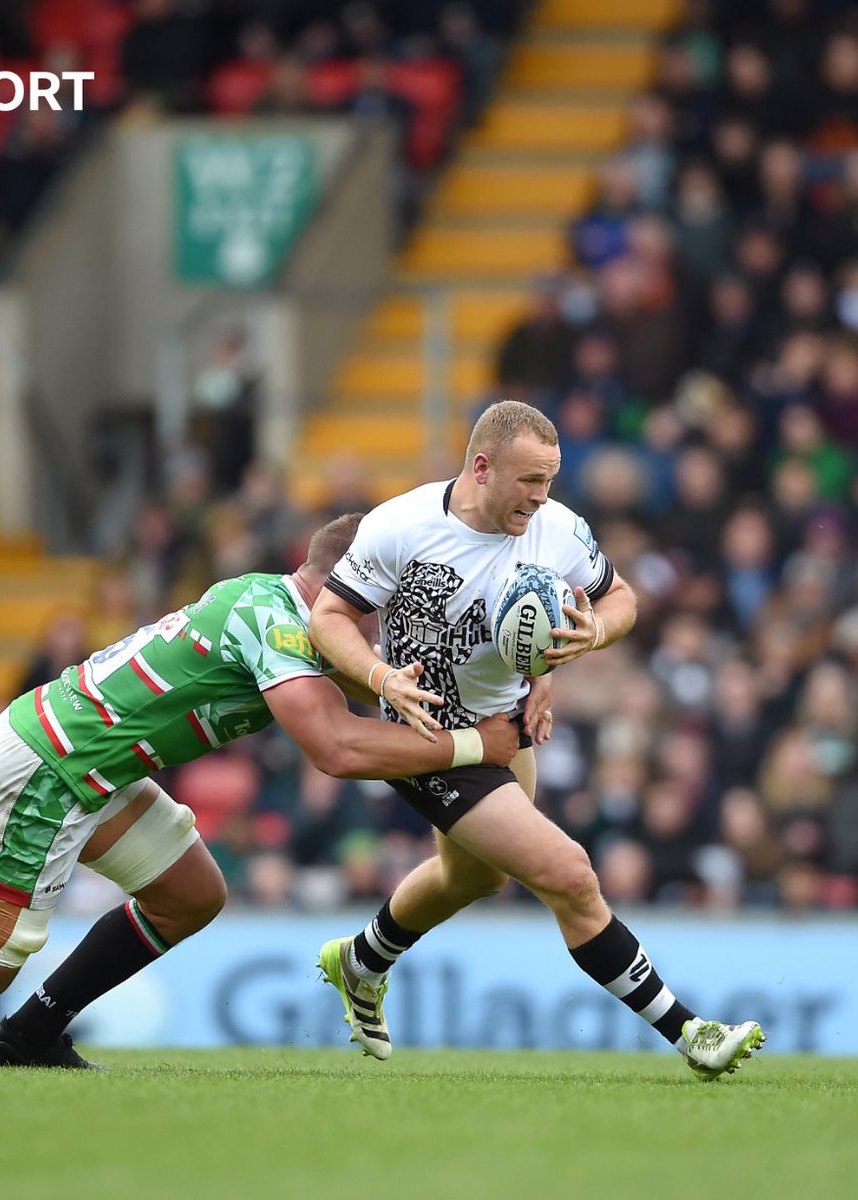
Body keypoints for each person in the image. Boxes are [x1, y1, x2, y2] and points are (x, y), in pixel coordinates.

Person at [0, 513, 524, 1069]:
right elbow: (335, 751)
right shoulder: (280, 626)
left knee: (192, 892)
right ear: (353, 589)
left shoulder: (276, 609)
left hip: (95, 764)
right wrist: (474, 742)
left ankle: (36, 1027)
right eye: (385, 603)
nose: (391, 624)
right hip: (50, 769)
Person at [308, 400, 765, 1080]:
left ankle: (362, 961)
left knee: (476, 876)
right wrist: (380, 677)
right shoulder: (400, 527)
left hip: (506, 725)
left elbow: (622, 599)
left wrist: (588, 638)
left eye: (548, 479)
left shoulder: (555, 528)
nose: (540, 496)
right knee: (569, 874)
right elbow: (330, 616)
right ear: (482, 467)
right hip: (428, 730)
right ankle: (690, 1033)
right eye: (528, 480)